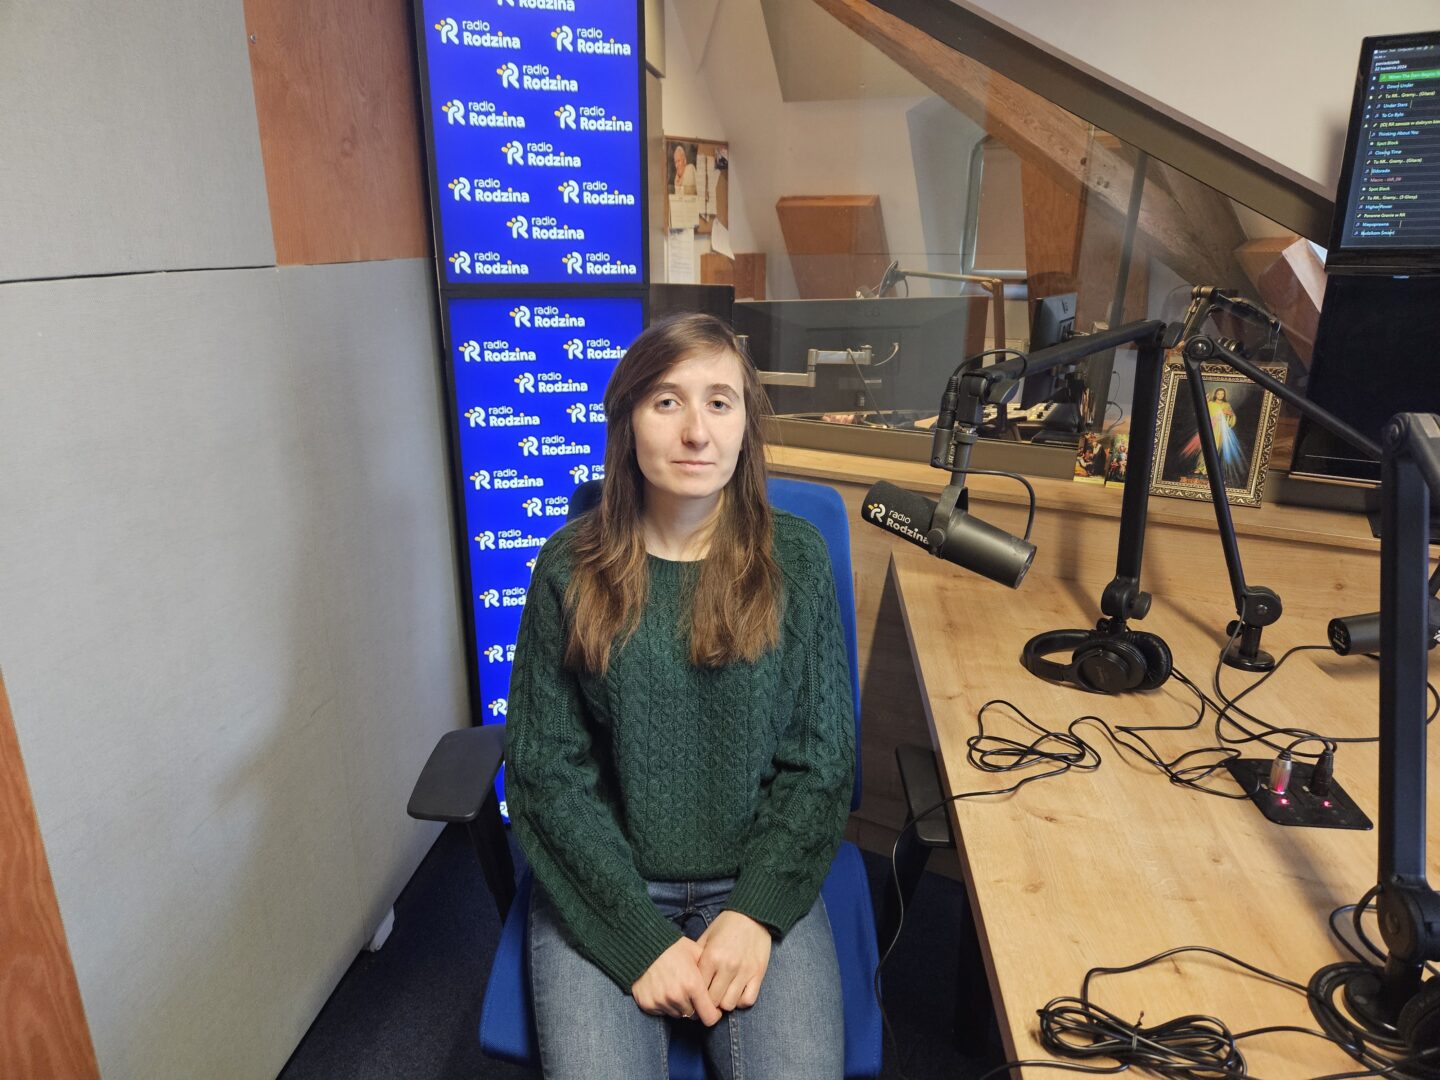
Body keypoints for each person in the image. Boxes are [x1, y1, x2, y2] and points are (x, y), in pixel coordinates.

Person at [505, 313, 855, 1079]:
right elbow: (545, 774)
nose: (696, 431)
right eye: (667, 401)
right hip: (611, 880)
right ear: (628, 421)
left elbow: (820, 762)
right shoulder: (567, 568)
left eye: (719, 402)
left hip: (753, 874)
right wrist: (636, 938)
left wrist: (755, 911)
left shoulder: (795, 559)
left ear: (744, 426)